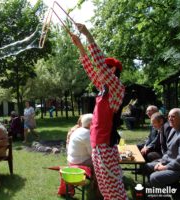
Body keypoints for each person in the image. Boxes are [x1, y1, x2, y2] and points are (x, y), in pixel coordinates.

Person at [71, 23, 127, 199]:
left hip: (105, 146)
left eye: (104, 67)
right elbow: (90, 67)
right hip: (97, 146)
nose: (99, 69)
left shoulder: (117, 87)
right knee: (105, 192)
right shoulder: (104, 89)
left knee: (114, 192)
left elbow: (98, 65)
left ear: (112, 71)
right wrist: (80, 46)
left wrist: (87, 34)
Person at [144, 108, 180, 191]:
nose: (170, 119)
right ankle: (156, 190)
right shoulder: (173, 130)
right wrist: (161, 162)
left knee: (154, 177)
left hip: (179, 168)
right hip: (170, 162)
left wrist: (164, 167)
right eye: (169, 116)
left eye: (173, 116)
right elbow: (168, 152)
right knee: (147, 166)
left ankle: (167, 194)